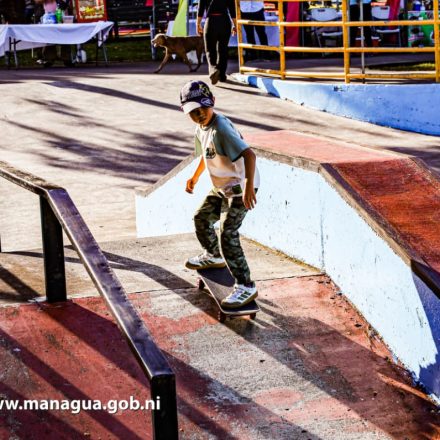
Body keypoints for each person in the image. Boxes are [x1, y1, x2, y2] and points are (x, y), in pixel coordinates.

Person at [180, 80, 260, 308]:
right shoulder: (201, 128)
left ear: (212, 102)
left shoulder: (221, 129)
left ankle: (246, 285)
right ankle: (213, 255)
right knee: (201, 217)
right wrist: (195, 177)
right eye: (193, 112)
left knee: (228, 233)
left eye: (203, 108)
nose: (199, 114)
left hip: (240, 187)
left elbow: (250, 155)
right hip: (223, 186)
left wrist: (248, 186)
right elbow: (206, 155)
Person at [197, 0, 237, 84]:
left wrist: (198, 24)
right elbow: (232, 10)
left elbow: (201, 9)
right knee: (223, 49)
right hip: (225, 21)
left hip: (211, 21)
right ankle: (222, 75)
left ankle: (213, 70)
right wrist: (235, 24)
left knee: (210, 49)